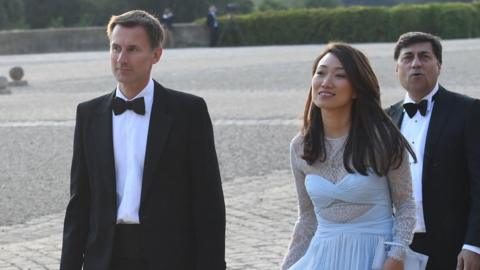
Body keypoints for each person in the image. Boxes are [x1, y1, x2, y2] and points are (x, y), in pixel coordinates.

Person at [60, 10, 226, 270]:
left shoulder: (188, 112)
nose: (121, 58)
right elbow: (79, 202)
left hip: (170, 257)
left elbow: (208, 201)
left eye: (132, 49)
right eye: (115, 48)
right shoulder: (89, 114)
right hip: (105, 258)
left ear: (156, 55)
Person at [281, 42, 416, 270]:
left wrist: (396, 256)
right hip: (322, 258)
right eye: (320, 73)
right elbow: (307, 219)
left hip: (376, 258)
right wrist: (286, 266)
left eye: (339, 75)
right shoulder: (301, 147)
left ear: (356, 88)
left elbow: (405, 205)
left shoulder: (383, 140)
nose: (326, 82)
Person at [387, 31, 480, 270]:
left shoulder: (469, 111)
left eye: (424, 56)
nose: (416, 63)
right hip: (398, 245)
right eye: (407, 57)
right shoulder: (386, 119)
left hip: (453, 246)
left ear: (438, 65)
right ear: (397, 67)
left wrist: (474, 244)